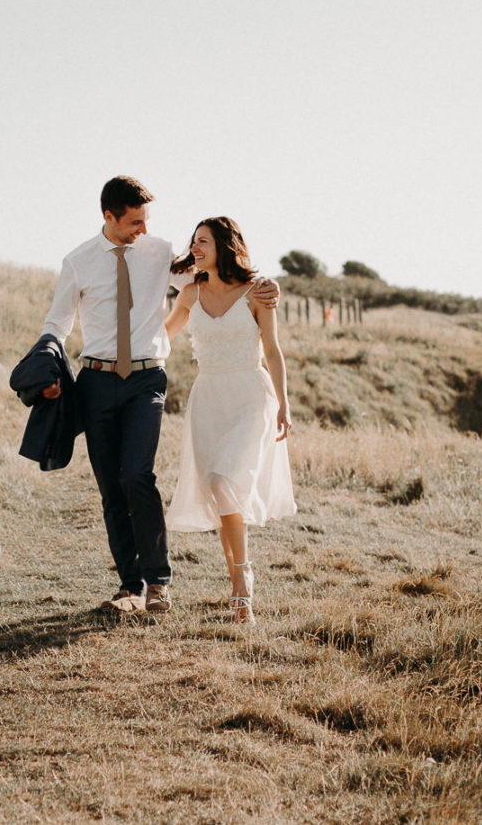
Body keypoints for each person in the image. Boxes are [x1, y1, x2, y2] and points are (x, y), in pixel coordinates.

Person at [39, 178, 278, 614]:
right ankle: (130, 587)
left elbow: (214, 277)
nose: (144, 230)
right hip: (96, 381)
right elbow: (57, 324)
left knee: (137, 475)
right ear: (109, 217)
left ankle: (159, 584)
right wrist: (47, 368)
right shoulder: (78, 262)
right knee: (111, 487)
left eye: (146, 220)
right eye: (135, 222)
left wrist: (265, 285)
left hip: (146, 379)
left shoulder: (158, 250)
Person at [164, 216, 296, 623]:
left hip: (250, 397)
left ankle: (243, 581)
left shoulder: (258, 292)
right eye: (193, 242)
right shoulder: (190, 293)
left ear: (225, 245)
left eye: (203, 241)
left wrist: (284, 404)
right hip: (208, 400)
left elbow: (272, 350)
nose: (195, 247)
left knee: (225, 481)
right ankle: (238, 584)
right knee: (219, 491)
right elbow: (161, 337)